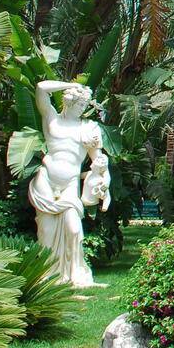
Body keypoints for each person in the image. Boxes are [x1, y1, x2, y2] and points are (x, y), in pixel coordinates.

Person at [27, 80, 109, 287]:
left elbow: (100, 163)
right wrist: (70, 85)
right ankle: (48, 275)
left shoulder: (88, 128)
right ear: (69, 101)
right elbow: (41, 88)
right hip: (46, 180)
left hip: (70, 183)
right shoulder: (51, 118)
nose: (83, 107)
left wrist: (104, 184)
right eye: (80, 103)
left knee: (73, 229)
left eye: (85, 104)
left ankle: (75, 274)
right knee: (46, 232)